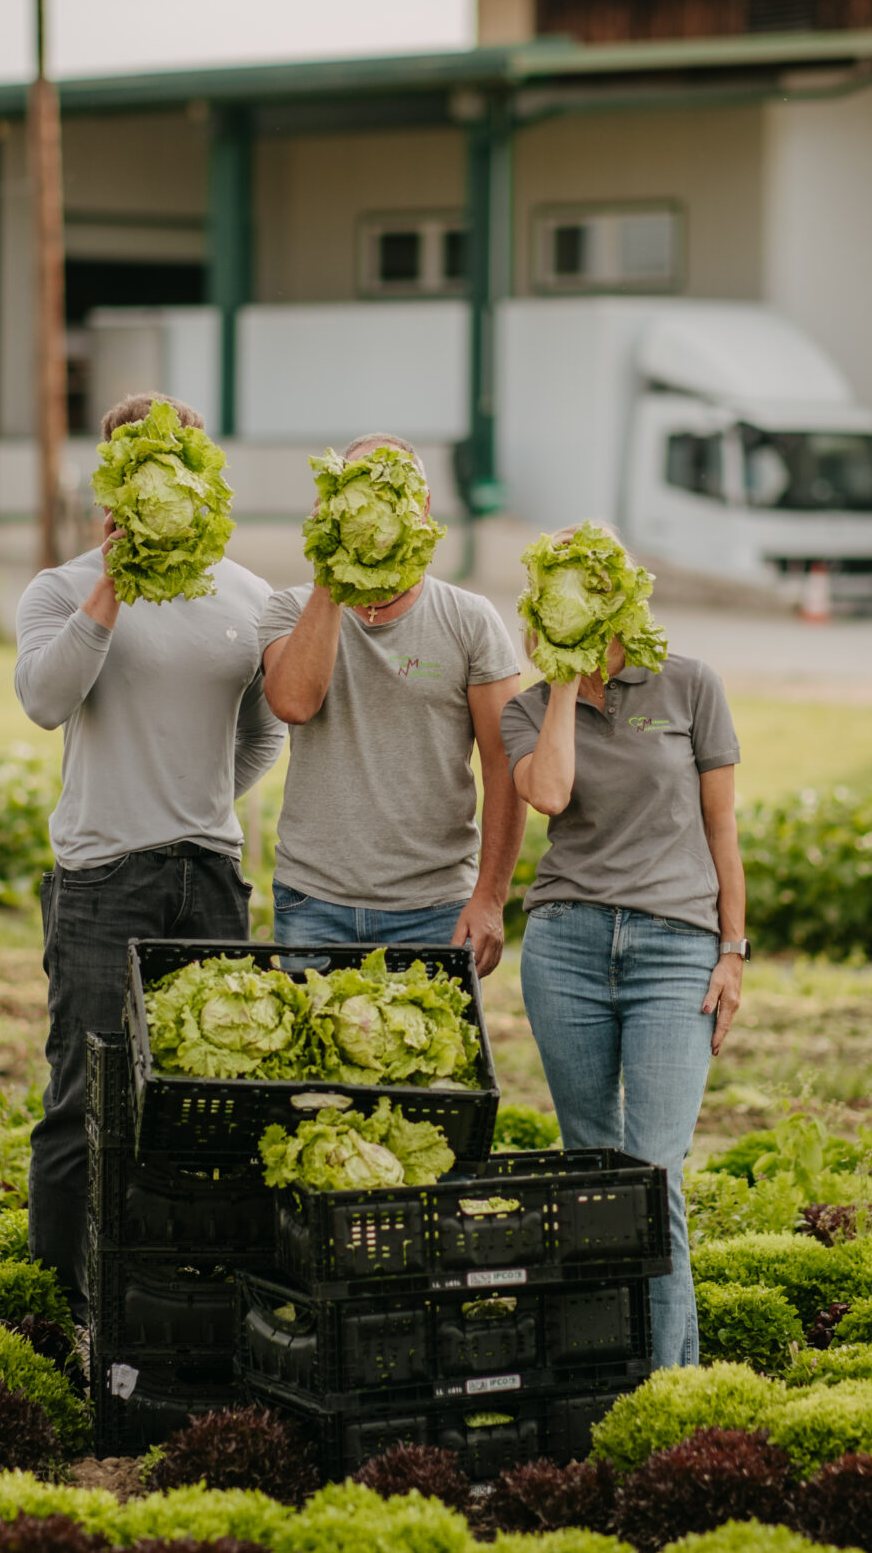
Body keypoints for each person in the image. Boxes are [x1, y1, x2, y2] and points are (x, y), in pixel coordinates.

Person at [14, 392, 285, 1314]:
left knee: (208, 1101)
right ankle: (59, 1310)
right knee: (84, 1101)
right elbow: (46, 699)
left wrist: (200, 803)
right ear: (112, 475)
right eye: (138, 462)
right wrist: (112, 586)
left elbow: (263, 736)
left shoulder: (251, 598)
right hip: (100, 876)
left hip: (210, 873)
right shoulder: (60, 587)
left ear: (204, 472)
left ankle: (180, 1302)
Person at [500, 528, 746, 1369]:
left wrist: (733, 949)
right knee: (590, 1172)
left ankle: (669, 1384)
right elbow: (552, 792)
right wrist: (565, 680)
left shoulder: (690, 685)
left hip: (675, 949)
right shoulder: (527, 708)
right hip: (565, 947)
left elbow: (723, 828)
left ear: (618, 597)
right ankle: (603, 1370)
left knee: (653, 1173)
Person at [259, 433, 524, 973]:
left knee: (429, 1059)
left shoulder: (470, 619)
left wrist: (490, 897)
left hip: (435, 908)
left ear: (422, 508)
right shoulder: (288, 609)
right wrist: (334, 570)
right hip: (313, 902)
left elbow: (504, 764)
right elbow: (293, 703)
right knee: (311, 1059)